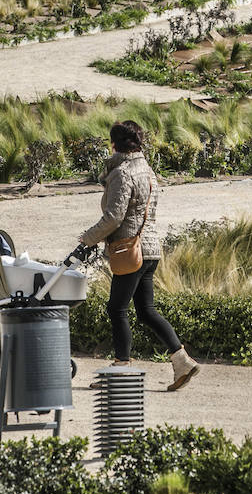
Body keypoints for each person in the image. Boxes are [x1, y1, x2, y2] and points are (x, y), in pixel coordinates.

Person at [79, 120, 199, 392]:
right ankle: (182, 361)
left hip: (130, 250)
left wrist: (87, 238)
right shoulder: (147, 170)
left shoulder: (122, 173)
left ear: (114, 144)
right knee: (146, 311)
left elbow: (114, 217)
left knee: (116, 308)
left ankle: (121, 368)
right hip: (151, 249)